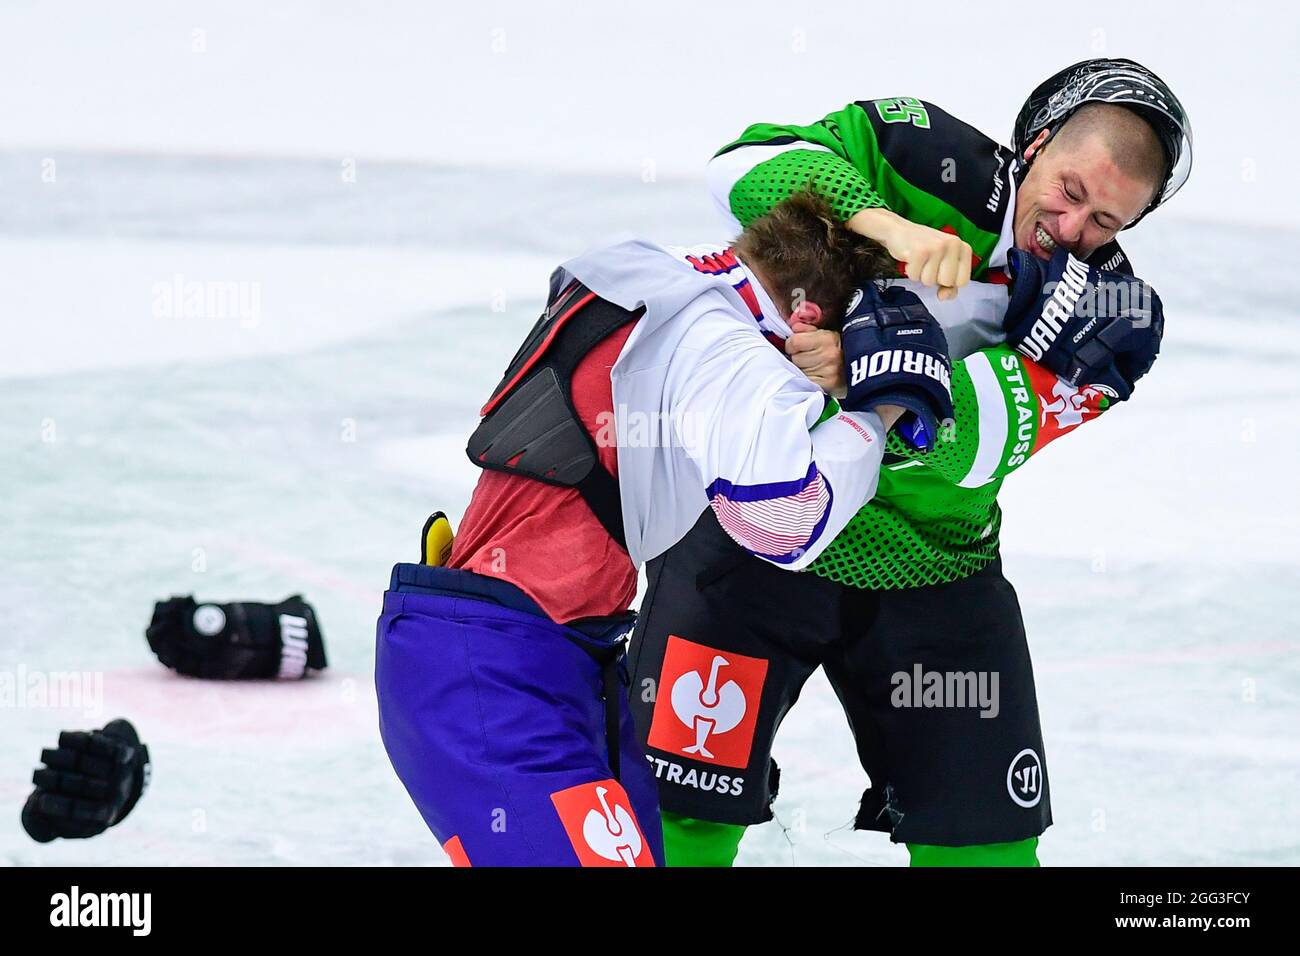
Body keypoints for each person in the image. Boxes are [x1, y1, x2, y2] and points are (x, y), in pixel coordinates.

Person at [628, 57, 1186, 866]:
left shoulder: (1110, 316)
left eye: (1106, 222)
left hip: (931, 572)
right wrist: (887, 227)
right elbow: (742, 170)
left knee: (988, 853)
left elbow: (970, 448)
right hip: (748, 543)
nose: (1070, 231)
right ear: (1033, 146)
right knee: (673, 827)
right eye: (1069, 191)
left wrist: (855, 373)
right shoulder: (919, 158)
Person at [374, 191, 957, 866]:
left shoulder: (638, 269)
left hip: (540, 654)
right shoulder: (730, 351)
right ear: (808, 316)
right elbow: (782, 525)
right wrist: (880, 408)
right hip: (495, 671)